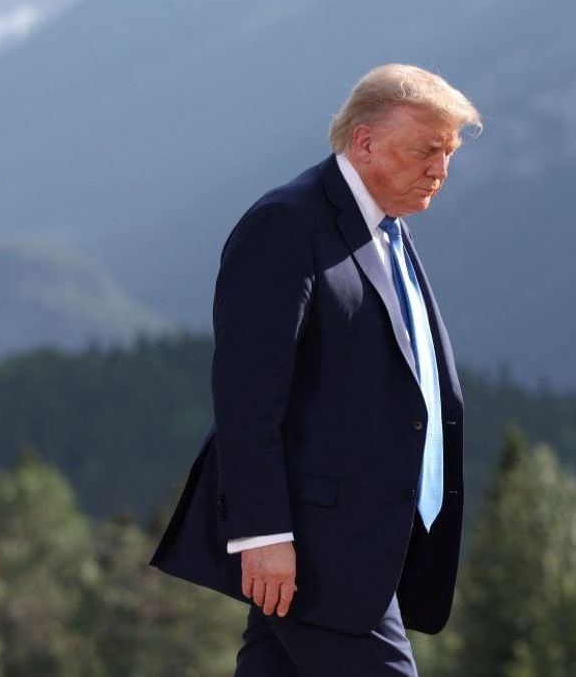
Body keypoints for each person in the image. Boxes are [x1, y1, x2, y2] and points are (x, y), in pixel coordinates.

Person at [151, 64, 480, 676]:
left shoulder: (390, 230)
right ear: (365, 143)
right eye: (427, 150)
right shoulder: (286, 224)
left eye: (449, 152)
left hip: (357, 542)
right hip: (317, 549)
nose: (441, 169)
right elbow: (247, 393)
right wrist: (262, 535)